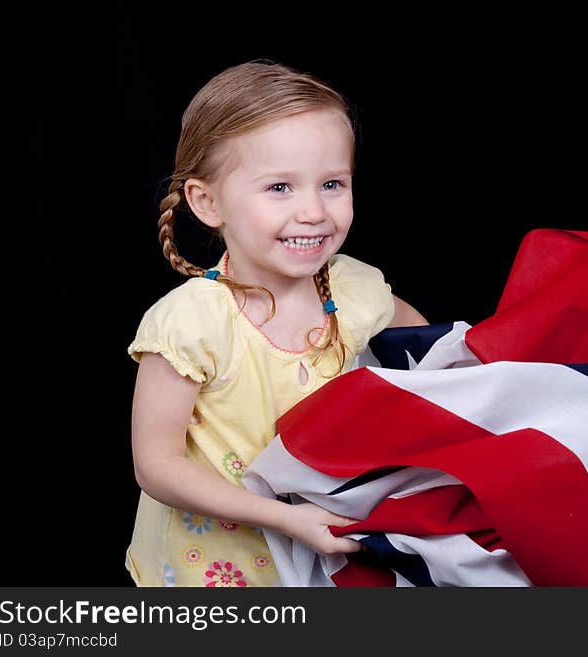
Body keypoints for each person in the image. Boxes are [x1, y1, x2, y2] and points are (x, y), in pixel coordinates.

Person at [126, 59, 429, 587]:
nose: (314, 211)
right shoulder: (190, 325)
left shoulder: (354, 288)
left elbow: (426, 346)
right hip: (215, 569)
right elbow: (157, 465)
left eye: (332, 183)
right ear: (207, 201)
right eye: (280, 188)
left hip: (323, 556)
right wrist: (288, 519)